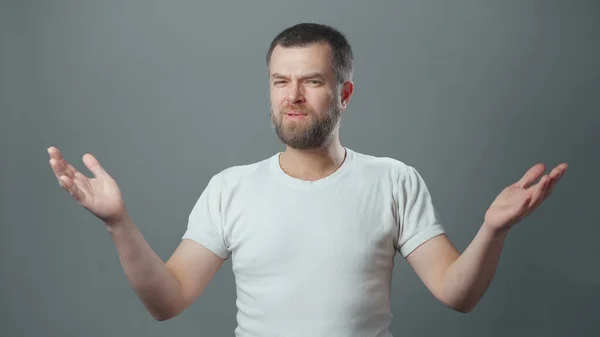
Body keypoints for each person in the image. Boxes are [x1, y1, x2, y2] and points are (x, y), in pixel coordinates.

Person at [47, 23, 568, 337]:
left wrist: (492, 230)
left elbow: (458, 294)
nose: (292, 95)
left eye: (312, 81)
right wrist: (118, 223)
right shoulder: (230, 188)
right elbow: (168, 301)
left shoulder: (393, 180)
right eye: (280, 81)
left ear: (343, 94)